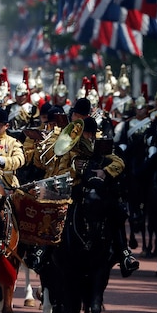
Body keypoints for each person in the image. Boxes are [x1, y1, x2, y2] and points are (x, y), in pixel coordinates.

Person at [57, 117, 139, 277]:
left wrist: (105, 171)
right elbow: (60, 171)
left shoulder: (102, 145)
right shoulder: (71, 147)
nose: (89, 136)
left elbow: (119, 163)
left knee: (117, 212)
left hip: (100, 190)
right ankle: (44, 253)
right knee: (58, 216)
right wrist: (74, 169)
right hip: (77, 190)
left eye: (91, 133)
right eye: (86, 133)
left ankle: (124, 254)